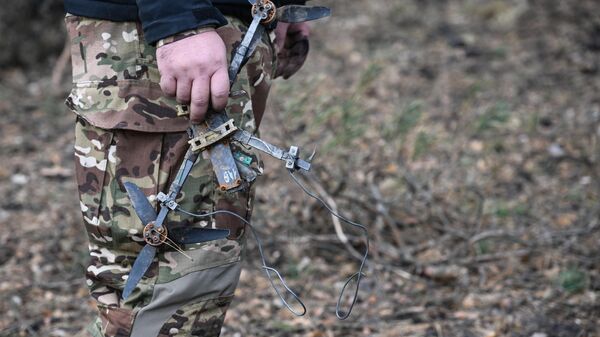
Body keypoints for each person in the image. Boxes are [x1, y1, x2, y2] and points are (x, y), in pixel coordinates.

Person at [62, 0, 311, 336]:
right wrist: (179, 17)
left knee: (191, 287)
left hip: (232, 31)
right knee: (164, 292)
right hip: (172, 35)